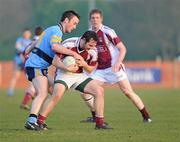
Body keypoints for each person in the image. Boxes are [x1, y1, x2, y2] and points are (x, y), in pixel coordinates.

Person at [81, 9, 152, 123]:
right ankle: (95, 117)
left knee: (128, 92)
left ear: (101, 19)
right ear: (90, 20)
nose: (95, 20)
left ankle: (146, 116)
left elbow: (122, 49)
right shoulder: (88, 33)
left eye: (97, 18)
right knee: (84, 91)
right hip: (99, 70)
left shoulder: (108, 32)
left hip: (113, 67)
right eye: (93, 18)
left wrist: (118, 63)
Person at [37, 31, 112, 130]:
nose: (91, 47)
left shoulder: (93, 50)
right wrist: (67, 68)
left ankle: (99, 123)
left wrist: (84, 65)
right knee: (57, 94)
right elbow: (55, 61)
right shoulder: (68, 43)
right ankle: (40, 122)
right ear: (83, 39)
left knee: (99, 91)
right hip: (63, 73)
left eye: (93, 45)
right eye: (89, 45)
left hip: (79, 75)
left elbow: (90, 70)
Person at [24, 10, 82, 131]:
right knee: (43, 93)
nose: (75, 27)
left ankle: (40, 121)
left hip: (38, 66)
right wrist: (73, 54)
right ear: (66, 20)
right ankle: (31, 121)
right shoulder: (57, 31)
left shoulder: (51, 29)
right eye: (74, 23)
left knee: (54, 90)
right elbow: (55, 46)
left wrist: (27, 51)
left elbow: (36, 41)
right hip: (36, 66)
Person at [20, 26, 44, 110]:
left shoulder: (32, 41)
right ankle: (25, 103)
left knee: (36, 87)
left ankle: (33, 99)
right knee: (34, 87)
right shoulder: (40, 41)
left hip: (27, 66)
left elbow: (24, 52)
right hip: (33, 67)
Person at [7, 28, 32, 96]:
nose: (26, 34)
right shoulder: (19, 40)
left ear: (30, 34)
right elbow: (18, 50)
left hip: (26, 62)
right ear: (23, 33)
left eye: (28, 33)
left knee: (29, 77)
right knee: (15, 76)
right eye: (25, 33)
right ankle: (10, 91)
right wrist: (22, 55)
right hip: (18, 61)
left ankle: (30, 91)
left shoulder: (30, 42)